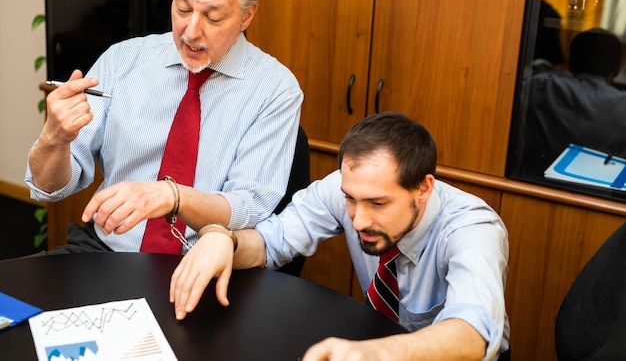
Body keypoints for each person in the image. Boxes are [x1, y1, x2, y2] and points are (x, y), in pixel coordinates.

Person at [24, 0, 303, 253]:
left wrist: (172, 196)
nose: (191, 30)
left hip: (204, 263)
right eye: (183, 9)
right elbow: (48, 189)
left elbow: (248, 208)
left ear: (247, 15)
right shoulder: (123, 61)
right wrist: (54, 139)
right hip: (105, 252)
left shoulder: (274, 89)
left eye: (213, 17)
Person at [170, 112, 510, 360]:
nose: (359, 219)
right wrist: (224, 239)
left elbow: (473, 332)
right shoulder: (345, 188)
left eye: (378, 203)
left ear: (423, 188)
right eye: (351, 199)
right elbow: (272, 242)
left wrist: (373, 354)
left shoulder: (472, 228)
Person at [521, 27, 626, 175]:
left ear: (570, 63)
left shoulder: (543, 87)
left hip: (535, 183)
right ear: (617, 68)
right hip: (598, 193)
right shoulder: (622, 106)